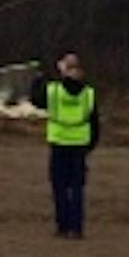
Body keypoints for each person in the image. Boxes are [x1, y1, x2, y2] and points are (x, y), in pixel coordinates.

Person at [28, 49, 99, 237]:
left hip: (59, 144)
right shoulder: (88, 93)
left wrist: (39, 78)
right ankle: (76, 228)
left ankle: (62, 226)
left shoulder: (54, 90)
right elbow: (95, 123)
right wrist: (90, 145)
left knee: (59, 187)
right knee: (77, 188)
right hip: (80, 146)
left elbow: (36, 99)